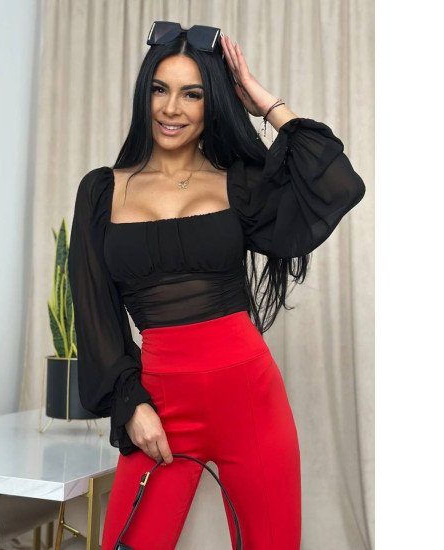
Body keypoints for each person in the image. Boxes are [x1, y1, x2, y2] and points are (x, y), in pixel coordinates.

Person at [68, 21, 365, 550]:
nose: (171, 108)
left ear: (213, 104)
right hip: (160, 406)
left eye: (192, 93)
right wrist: (130, 405)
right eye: (160, 89)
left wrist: (264, 102)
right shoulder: (101, 192)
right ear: (143, 95)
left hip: (251, 401)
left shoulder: (239, 183)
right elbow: (94, 312)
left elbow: (338, 184)